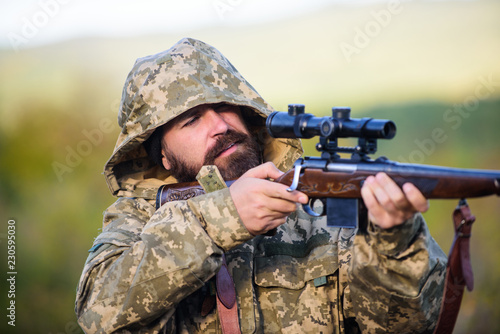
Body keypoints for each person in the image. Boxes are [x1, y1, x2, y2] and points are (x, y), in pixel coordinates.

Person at [75, 37, 447, 333]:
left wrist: (394, 243)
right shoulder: (140, 218)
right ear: (163, 158)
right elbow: (98, 313)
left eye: (224, 106)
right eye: (191, 120)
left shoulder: (315, 204)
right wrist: (220, 220)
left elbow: (406, 325)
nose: (219, 125)